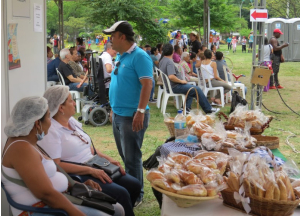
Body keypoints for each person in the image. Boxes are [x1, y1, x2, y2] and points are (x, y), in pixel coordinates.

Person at [2, 96, 124, 216]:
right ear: (37, 123)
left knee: (117, 209)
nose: (51, 122)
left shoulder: (28, 142)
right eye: (49, 117)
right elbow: (46, 195)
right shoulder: (21, 149)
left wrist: (75, 185)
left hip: (55, 201)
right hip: (41, 209)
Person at [38, 86, 140, 216]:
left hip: (94, 164)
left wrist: (109, 159)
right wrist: (90, 171)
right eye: (71, 101)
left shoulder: (70, 121)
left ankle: (122, 211)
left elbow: (87, 147)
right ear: (60, 108)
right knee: (121, 193)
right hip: (80, 173)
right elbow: (57, 165)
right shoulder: (52, 130)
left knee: (134, 185)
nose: (75, 103)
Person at [102, 21, 153, 207]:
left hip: (132, 115)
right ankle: (133, 189)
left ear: (122, 36)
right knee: (125, 156)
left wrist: (140, 111)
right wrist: (112, 110)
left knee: (132, 158)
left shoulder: (140, 56)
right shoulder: (122, 56)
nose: (110, 40)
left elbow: (147, 84)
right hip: (118, 114)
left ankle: (137, 195)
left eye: (112, 36)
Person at [159, 43, 219, 114]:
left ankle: (186, 108)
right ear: (172, 51)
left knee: (191, 89)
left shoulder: (162, 60)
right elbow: (171, 76)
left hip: (170, 86)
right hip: (175, 86)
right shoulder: (169, 62)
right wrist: (181, 81)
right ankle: (208, 109)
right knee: (196, 89)